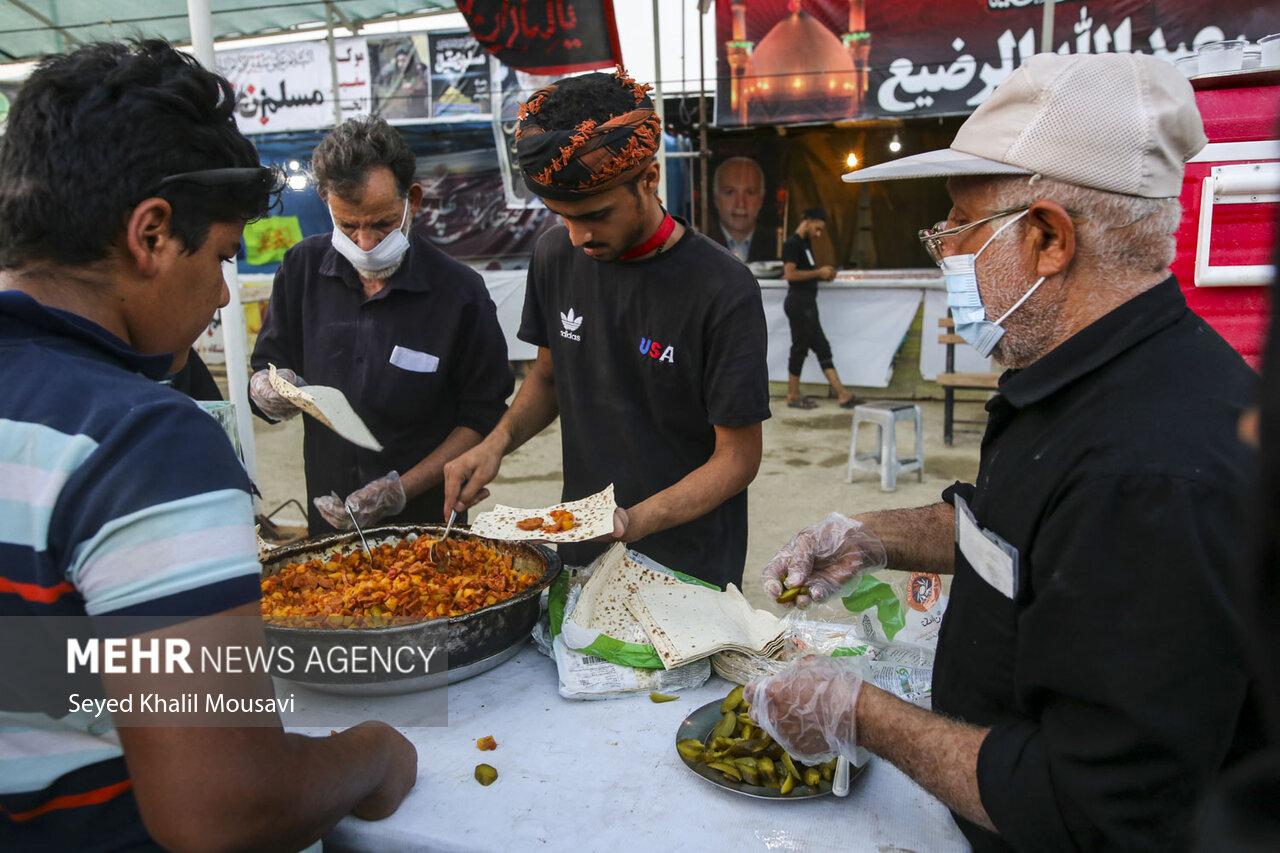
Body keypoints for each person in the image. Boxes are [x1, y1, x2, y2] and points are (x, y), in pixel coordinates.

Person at [749, 52, 1260, 852]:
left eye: (957, 229)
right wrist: (869, 533)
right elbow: (1012, 531)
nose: (943, 251)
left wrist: (861, 713)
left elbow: (1091, 806)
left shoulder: (1155, 473)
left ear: (1049, 237)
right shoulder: (1066, 376)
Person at [0, 41, 416, 851]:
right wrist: (371, 754)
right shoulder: (140, 442)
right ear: (152, 234)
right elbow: (226, 807)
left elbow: (41, 662)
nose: (224, 292)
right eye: (222, 256)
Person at [442, 69, 770, 589]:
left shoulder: (722, 287)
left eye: (594, 216)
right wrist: (495, 443)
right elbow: (550, 378)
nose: (577, 237)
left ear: (649, 178)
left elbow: (737, 458)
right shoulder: (553, 254)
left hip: (690, 564)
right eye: (561, 217)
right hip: (584, 549)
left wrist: (633, 521)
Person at [250, 116, 513, 534]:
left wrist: (400, 491)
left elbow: (482, 417)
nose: (366, 244)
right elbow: (269, 361)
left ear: (413, 200)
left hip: (426, 527)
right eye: (348, 226)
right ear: (325, 201)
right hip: (328, 519)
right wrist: (265, 388)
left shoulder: (460, 293)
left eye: (382, 223)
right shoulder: (301, 269)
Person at [780, 207, 856, 408]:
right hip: (799, 303)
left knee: (821, 347)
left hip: (807, 303)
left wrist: (823, 274)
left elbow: (804, 271)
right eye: (817, 228)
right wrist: (818, 273)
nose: (818, 234)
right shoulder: (792, 244)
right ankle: (793, 394)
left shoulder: (805, 244)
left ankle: (842, 394)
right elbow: (790, 274)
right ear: (807, 221)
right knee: (800, 348)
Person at [710, 156, 776, 262]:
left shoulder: (777, 244)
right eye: (730, 192)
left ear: (761, 198)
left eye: (750, 192)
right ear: (716, 197)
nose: (740, 204)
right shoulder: (700, 244)